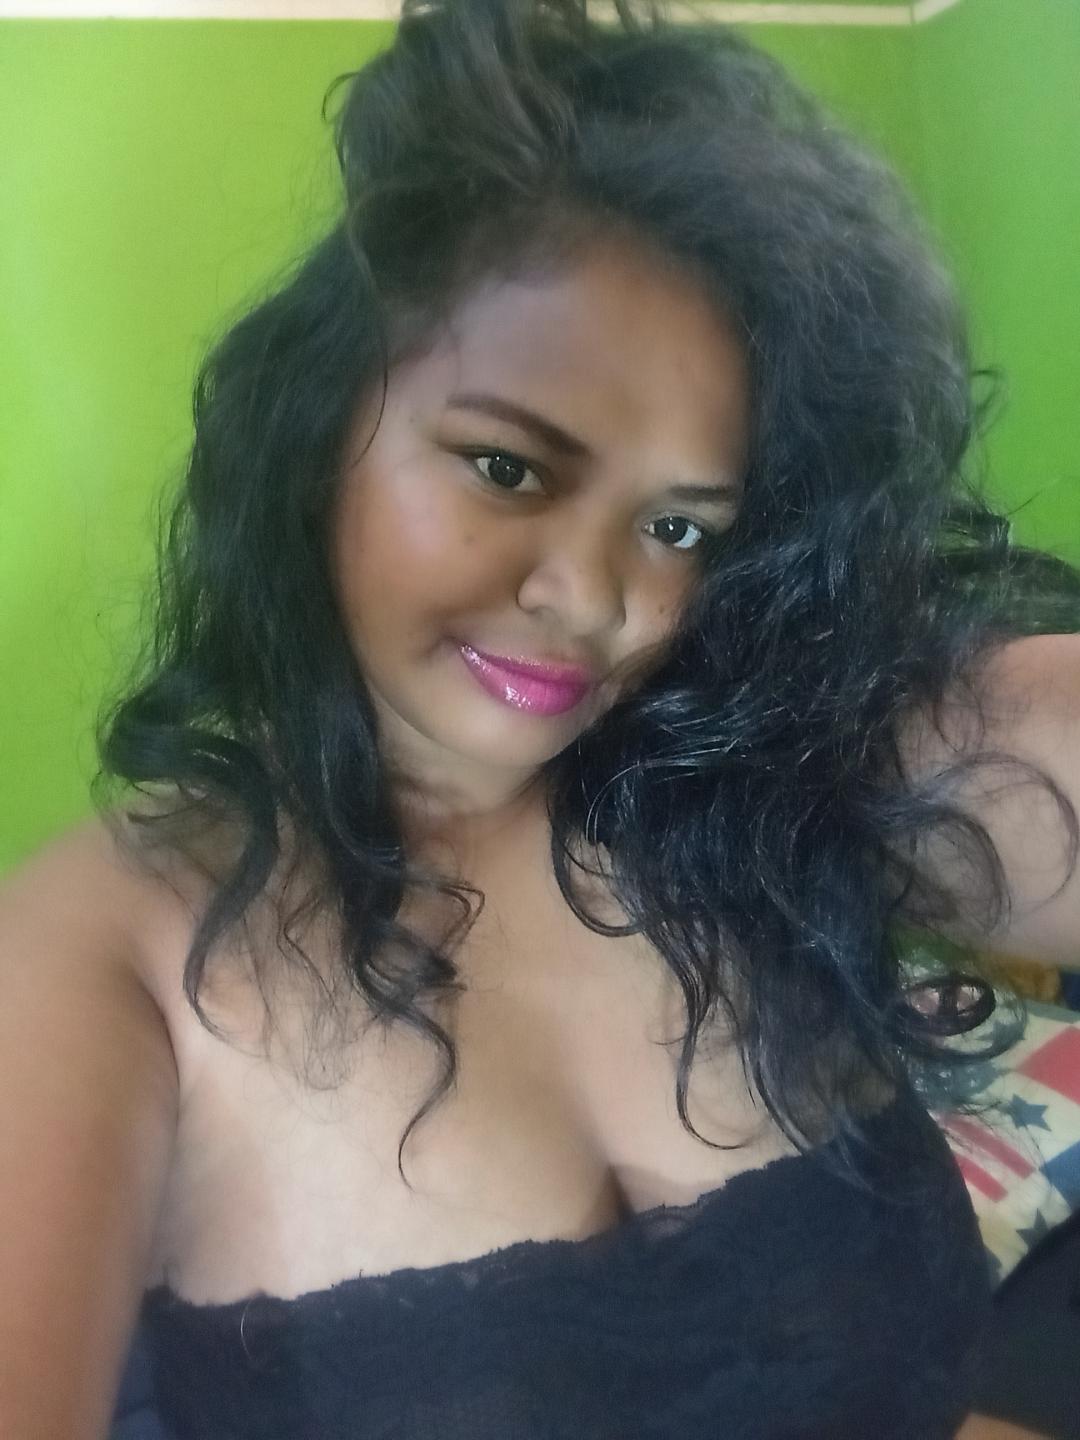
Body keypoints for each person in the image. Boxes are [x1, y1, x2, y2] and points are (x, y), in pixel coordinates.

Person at [2, 1, 1078, 1436]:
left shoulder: (757, 786)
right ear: (316, 427)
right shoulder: (102, 954)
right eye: (508, 467)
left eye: (681, 529)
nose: (596, 596)